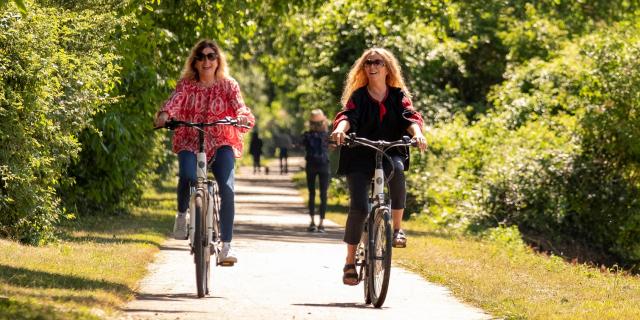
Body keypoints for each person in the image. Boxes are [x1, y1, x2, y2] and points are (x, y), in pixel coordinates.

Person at [330, 48, 427, 285]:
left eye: (378, 62)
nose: (372, 66)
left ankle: (396, 230)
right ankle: (350, 262)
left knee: (398, 170)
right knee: (360, 208)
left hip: (389, 151)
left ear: (387, 68)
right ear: (363, 68)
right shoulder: (359, 96)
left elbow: (410, 118)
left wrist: (418, 135)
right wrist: (340, 130)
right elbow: (346, 116)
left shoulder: (397, 95)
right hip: (360, 153)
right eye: (368, 63)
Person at [154, 39, 255, 265]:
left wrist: (242, 116)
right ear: (195, 62)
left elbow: (239, 105)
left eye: (211, 56)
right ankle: (182, 216)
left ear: (218, 60)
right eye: (201, 57)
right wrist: (165, 115)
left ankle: (226, 247)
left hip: (221, 140)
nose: (206, 61)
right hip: (191, 138)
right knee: (188, 176)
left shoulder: (229, 85)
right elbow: (175, 102)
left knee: (227, 188)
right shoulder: (186, 85)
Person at [301, 109, 331, 233]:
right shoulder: (327, 135)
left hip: (311, 165)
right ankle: (321, 223)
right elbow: (332, 147)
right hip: (324, 165)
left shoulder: (307, 135)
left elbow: (301, 145)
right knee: (323, 194)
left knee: (312, 193)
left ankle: (312, 222)